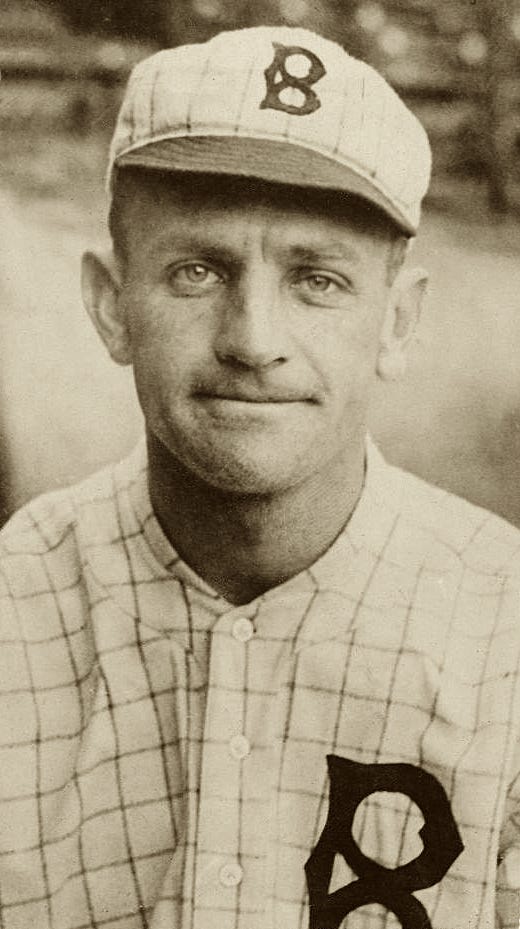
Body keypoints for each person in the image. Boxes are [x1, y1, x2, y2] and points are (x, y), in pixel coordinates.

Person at [1, 24, 519, 929]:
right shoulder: (14, 605)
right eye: (197, 270)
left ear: (398, 322)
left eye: (318, 279)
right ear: (110, 305)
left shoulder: (506, 635)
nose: (253, 340)